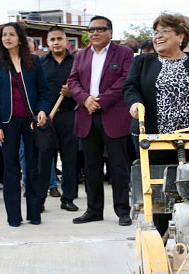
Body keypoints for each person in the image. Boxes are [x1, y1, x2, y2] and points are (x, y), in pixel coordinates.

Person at [123, 12, 189, 234]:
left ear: (181, 36)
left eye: (164, 31)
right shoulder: (142, 62)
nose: (157, 36)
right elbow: (130, 88)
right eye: (155, 32)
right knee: (159, 191)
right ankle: (159, 238)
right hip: (155, 139)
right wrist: (134, 104)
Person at [67, 15, 133, 226]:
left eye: (100, 29)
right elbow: (73, 80)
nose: (94, 33)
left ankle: (123, 210)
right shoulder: (81, 54)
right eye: (91, 29)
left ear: (110, 32)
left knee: (118, 167)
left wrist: (101, 101)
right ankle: (94, 210)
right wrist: (85, 99)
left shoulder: (124, 53)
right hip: (87, 116)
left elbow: (125, 80)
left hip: (112, 115)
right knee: (91, 166)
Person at [0, 22, 51, 227]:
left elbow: (44, 91)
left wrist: (42, 110)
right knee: (11, 169)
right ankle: (13, 216)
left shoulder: (33, 62)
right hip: (7, 123)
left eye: (11, 34)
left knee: (32, 167)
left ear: (19, 38)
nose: (7, 38)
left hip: (30, 121)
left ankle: (34, 213)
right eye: (4, 35)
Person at [40, 26, 80, 212]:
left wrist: (73, 93)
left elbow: (84, 85)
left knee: (69, 159)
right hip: (46, 117)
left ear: (66, 42)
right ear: (48, 42)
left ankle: (68, 198)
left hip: (70, 115)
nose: (56, 42)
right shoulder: (41, 64)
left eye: (59, 39)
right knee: (43, 159)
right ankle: (39, 199)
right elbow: (37, 90)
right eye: (52, 39)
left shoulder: (76, 62)